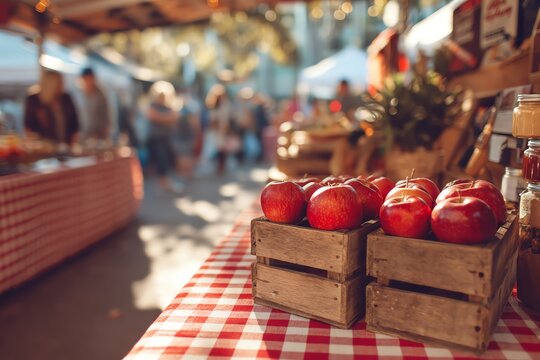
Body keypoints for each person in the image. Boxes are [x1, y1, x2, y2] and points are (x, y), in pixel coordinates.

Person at [24, 70, 79, 144]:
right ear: (51, 84)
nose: (62, 86)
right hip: (44, 147)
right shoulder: (34, 100)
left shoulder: (66, 98)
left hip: (65, 146)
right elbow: (28, 126)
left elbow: (74, 123)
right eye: (60, 83)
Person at [146, 81, 182, 193]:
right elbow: (154, 116)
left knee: (167, 160)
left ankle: (166, 182)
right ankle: (163, 183)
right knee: (161, 160)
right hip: (157, 138)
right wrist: (166, 118)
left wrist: (163, 118)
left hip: (167, 137)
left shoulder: (168, 106)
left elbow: (174, 118)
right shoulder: (153, 106)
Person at [78, 67, 111, 142]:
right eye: (86, 78)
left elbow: (105, 116)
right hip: (82, 134)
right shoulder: (78, 94)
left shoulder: (100, 95)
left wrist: (105, 133)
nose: (88, 81)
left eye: (90, 78)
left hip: (98, 134)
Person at [173, 96, 200, 180]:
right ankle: (186, 172)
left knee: (184, 154)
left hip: (184, 136)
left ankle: (185, 172)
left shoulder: (182, 112)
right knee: (185, 154)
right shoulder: (187, 112)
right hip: (184, 136)